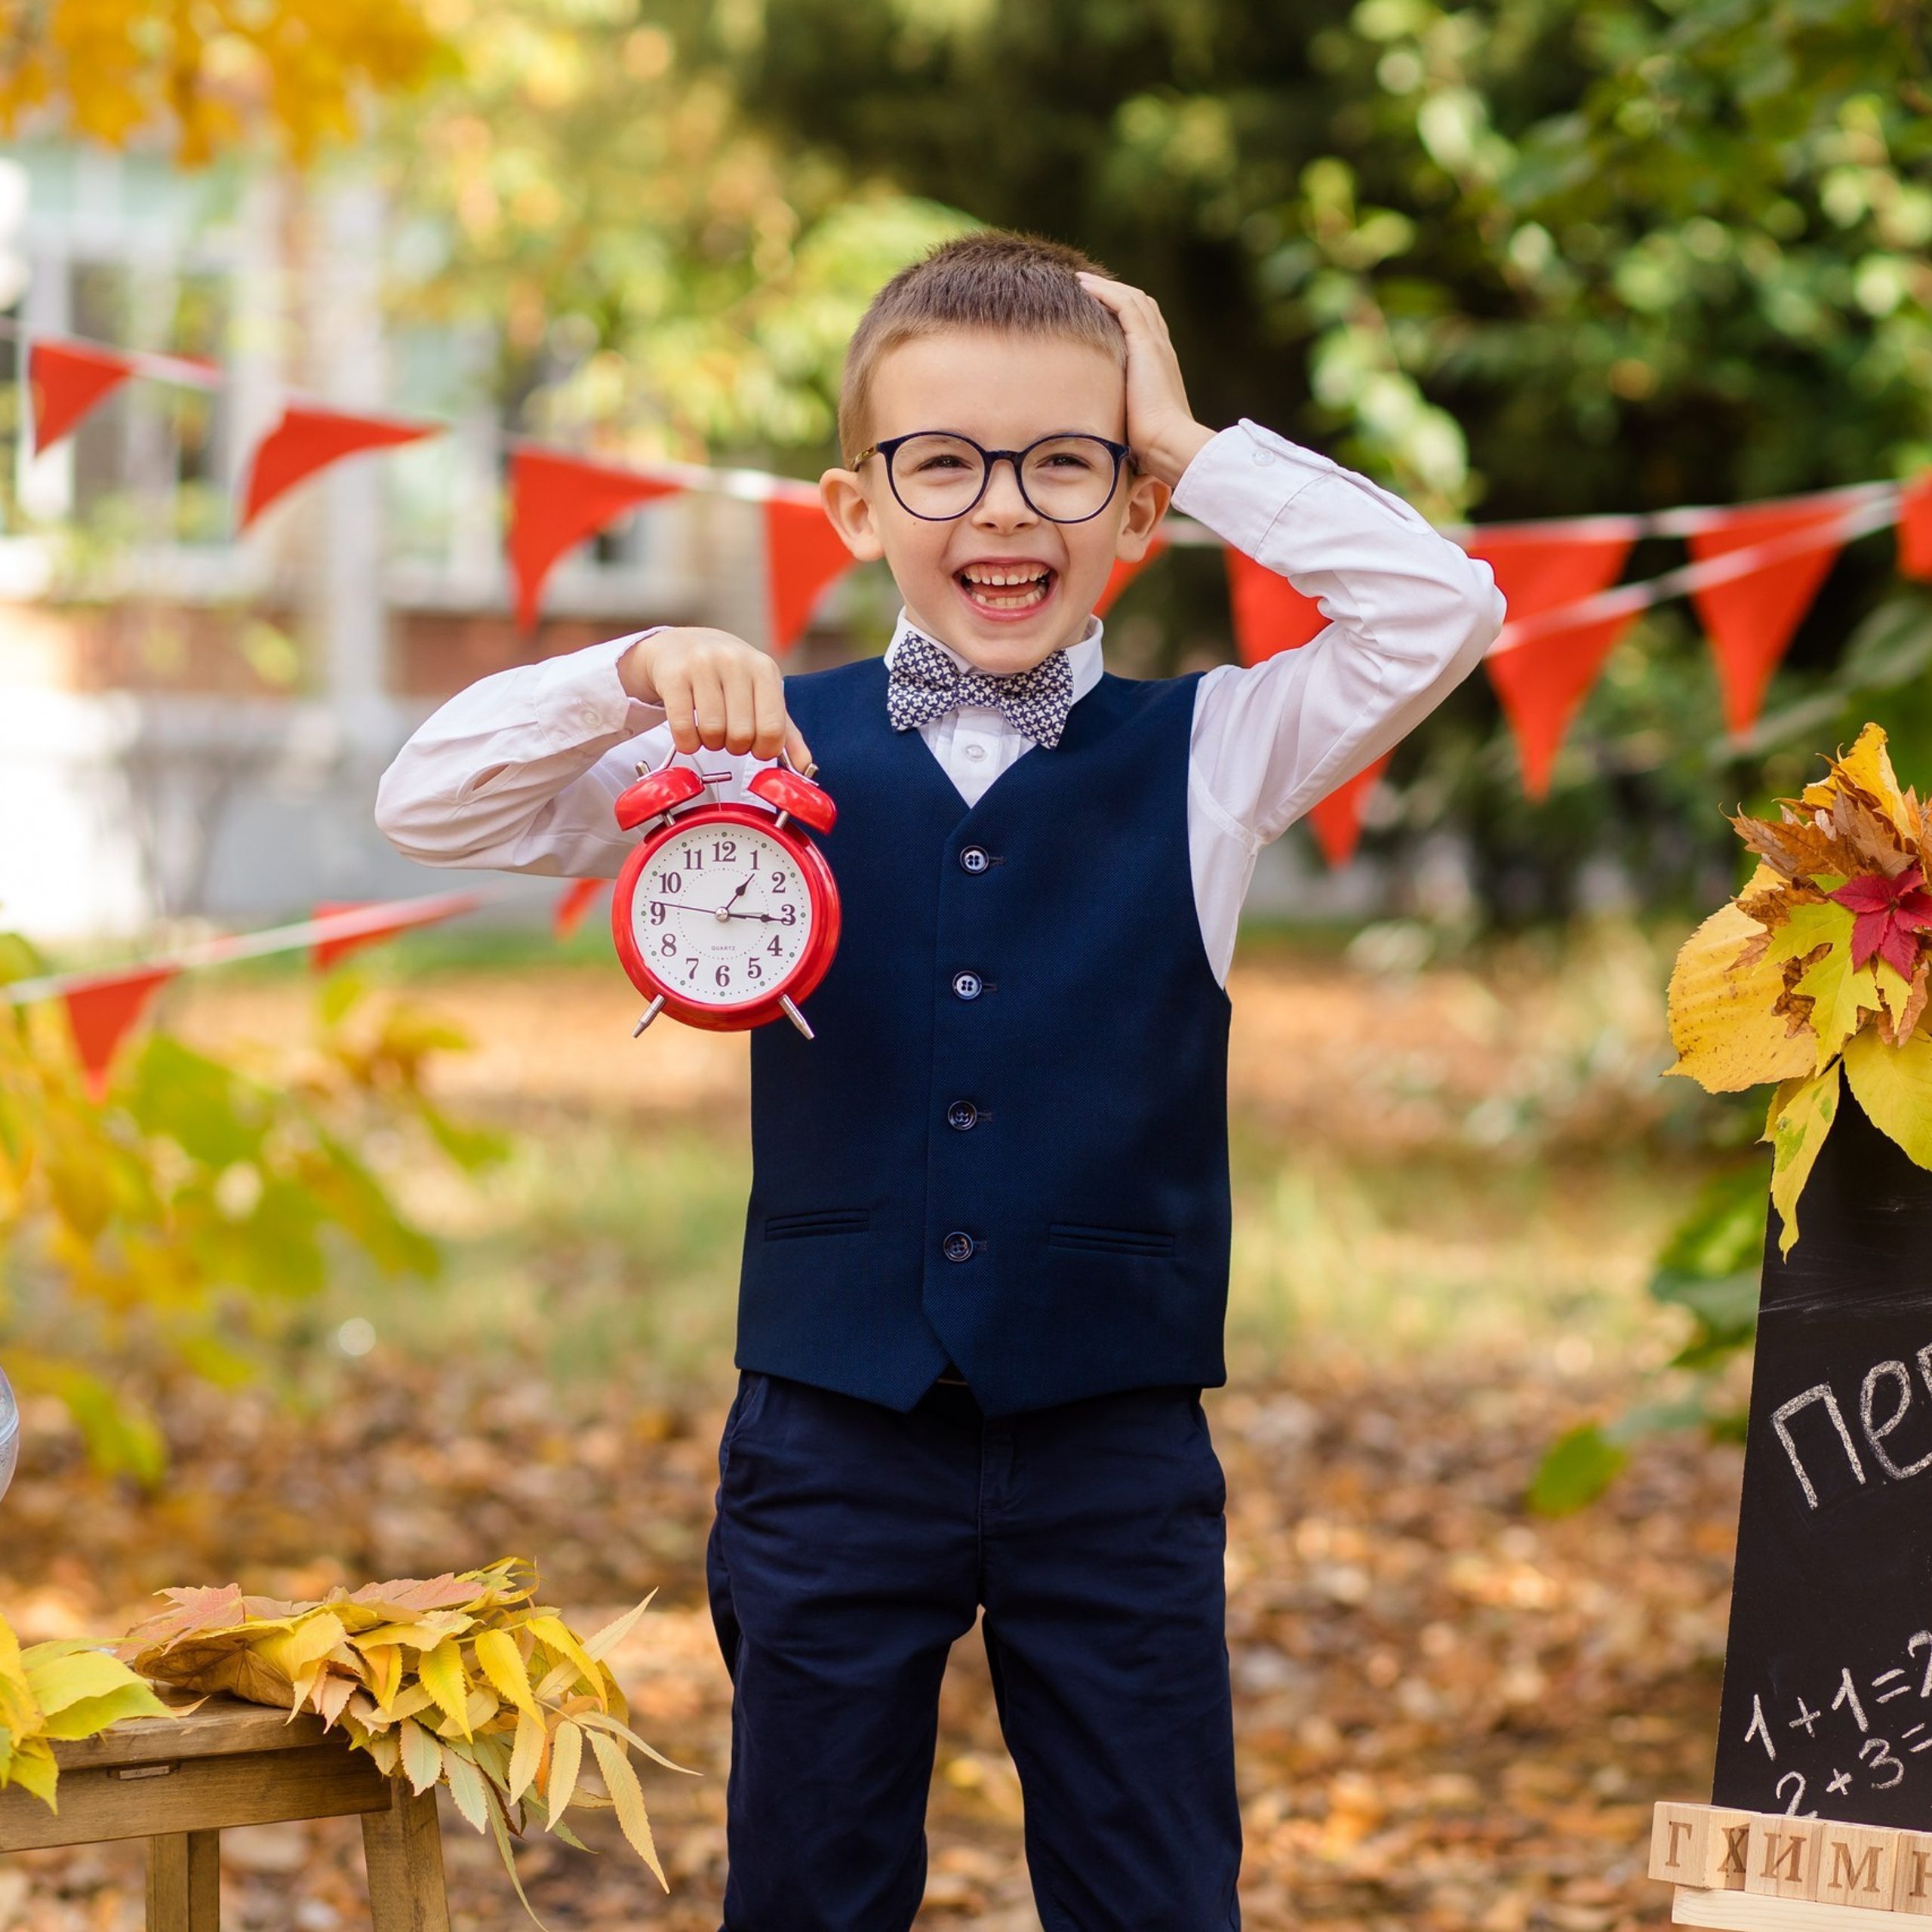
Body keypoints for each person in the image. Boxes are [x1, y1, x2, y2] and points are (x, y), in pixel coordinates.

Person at [376, 230, 1504, 1932]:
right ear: (855, 507)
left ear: (1132, 520)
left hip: (1111, 1444)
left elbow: (1446, 605)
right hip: (830, 1434)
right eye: (944, 464)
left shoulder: (1213, 755)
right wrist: (623, 668)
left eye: (1065, 465)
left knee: (1154, 1891)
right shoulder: (745, 746)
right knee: (810, 1888)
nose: (1002, 510)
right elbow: (428, 803)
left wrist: (1195, 446)